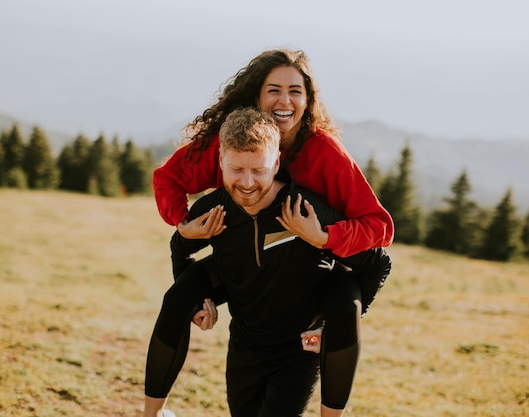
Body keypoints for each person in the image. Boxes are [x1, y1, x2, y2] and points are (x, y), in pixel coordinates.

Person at [146, 49, 394, 416]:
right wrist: (185, 225)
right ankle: (152, 412)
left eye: (296, 91)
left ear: (307, 101)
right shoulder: (228, 140)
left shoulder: (323, 152)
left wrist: (323, 238)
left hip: (311, 264)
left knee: (342, 299)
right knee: (179, 296)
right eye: (273, 90)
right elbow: (168, 179)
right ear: (257, 97)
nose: (284, 100)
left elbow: (379, 229)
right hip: (244, 258)